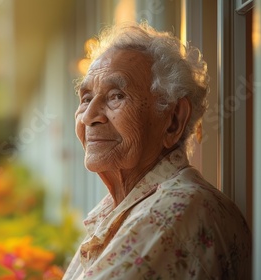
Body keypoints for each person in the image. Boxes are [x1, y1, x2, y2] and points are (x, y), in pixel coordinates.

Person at [63, 22, 252, 279]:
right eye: (86, 98)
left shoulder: (174, 211)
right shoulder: (128, 207)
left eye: (116, 95)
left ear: (173, 120)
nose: (89, 117)